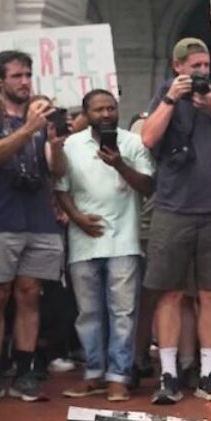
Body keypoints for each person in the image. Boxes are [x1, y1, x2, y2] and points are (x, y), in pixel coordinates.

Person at [141, 37, 211, 405]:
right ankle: (169, 374)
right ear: (178, 67)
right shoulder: (165, 94)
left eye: (206, 66)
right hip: (173, 209)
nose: (203, 73)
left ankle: (208, 373)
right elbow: (148, 138)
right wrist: (173, 98)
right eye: (195, 67)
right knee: (169, 291)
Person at [0, 51, 67, 404]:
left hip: (39, 219)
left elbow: (57, 171)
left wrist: (55, 145)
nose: (25, 81)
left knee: (29, 293)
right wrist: (28, 129)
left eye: (28, 75)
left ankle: (25, 371)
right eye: (17, 76)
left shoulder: (42, 118)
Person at [56, 90, 154, 402]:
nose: (106, 114)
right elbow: (61, 189)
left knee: (123, 312)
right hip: (84, 240)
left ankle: (119, 376)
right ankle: (93, 374)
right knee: (88, 312)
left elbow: (149, 186)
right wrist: (77, 219)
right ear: (87, 114)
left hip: (123, 240)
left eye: (111, 108)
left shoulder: (132, 143)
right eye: (98, 109)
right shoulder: (72, 145)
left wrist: (120, 165)